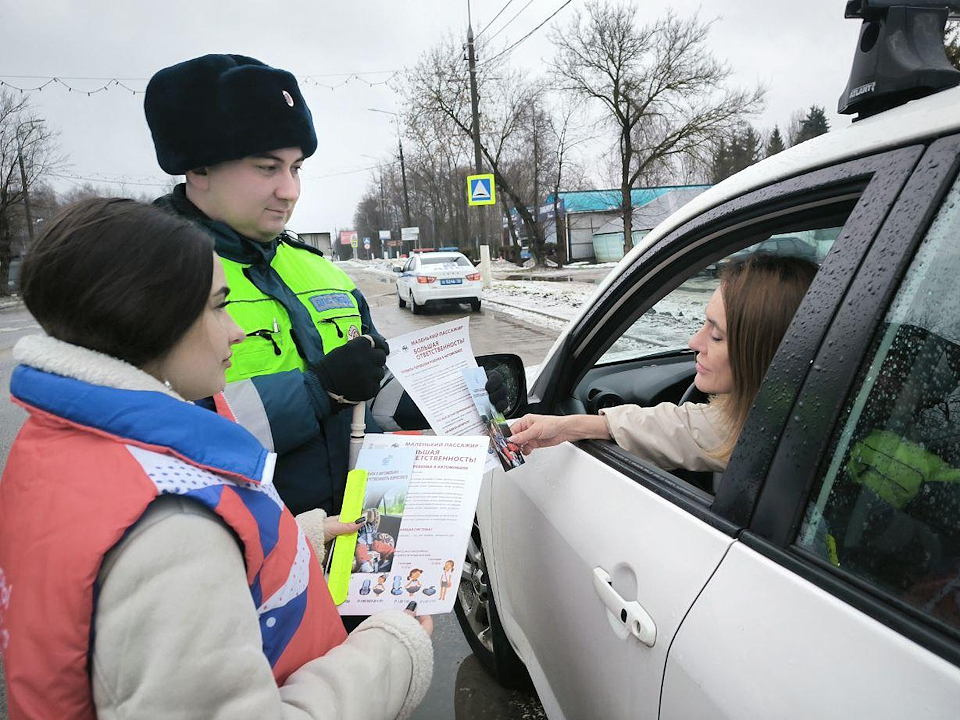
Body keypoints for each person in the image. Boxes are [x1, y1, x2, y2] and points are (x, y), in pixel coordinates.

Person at [0, 199, 432, 720]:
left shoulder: (61, 441)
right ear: (150, 315)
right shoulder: (171, 532)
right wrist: (393, 648)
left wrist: (292, 542)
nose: (237, 331)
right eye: (217, 306)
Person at [144, 54, 387, 516]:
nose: (290, 190)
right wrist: (315, 392)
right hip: (245, 560)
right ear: (198, 169)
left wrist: (437, 398)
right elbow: (158, 438)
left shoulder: (320, 270)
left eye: (295, 168)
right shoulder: (149, 274)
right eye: (267, 167)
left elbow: (370, 385)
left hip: (352, 544)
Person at [507, 254, 818, 472]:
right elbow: (684, 428)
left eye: (717, 336)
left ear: (766, 352)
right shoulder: (768, 418)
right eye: (703, 326)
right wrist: (568, 426)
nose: (694, 343)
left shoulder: (802, 446)